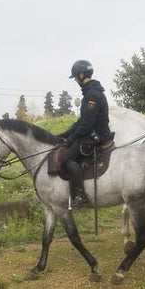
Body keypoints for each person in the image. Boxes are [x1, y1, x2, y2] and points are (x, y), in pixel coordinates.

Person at [58, 59, 114, 208]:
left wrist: (70, 140)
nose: (76, 80)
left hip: (96, 137)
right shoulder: (91, 92)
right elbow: (81, 121)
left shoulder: (92, 95)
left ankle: (80, 195)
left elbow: (87, 125)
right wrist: (65, 134)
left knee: (67, 159)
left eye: (76, 77)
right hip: (92, 133)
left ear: (81, 74)